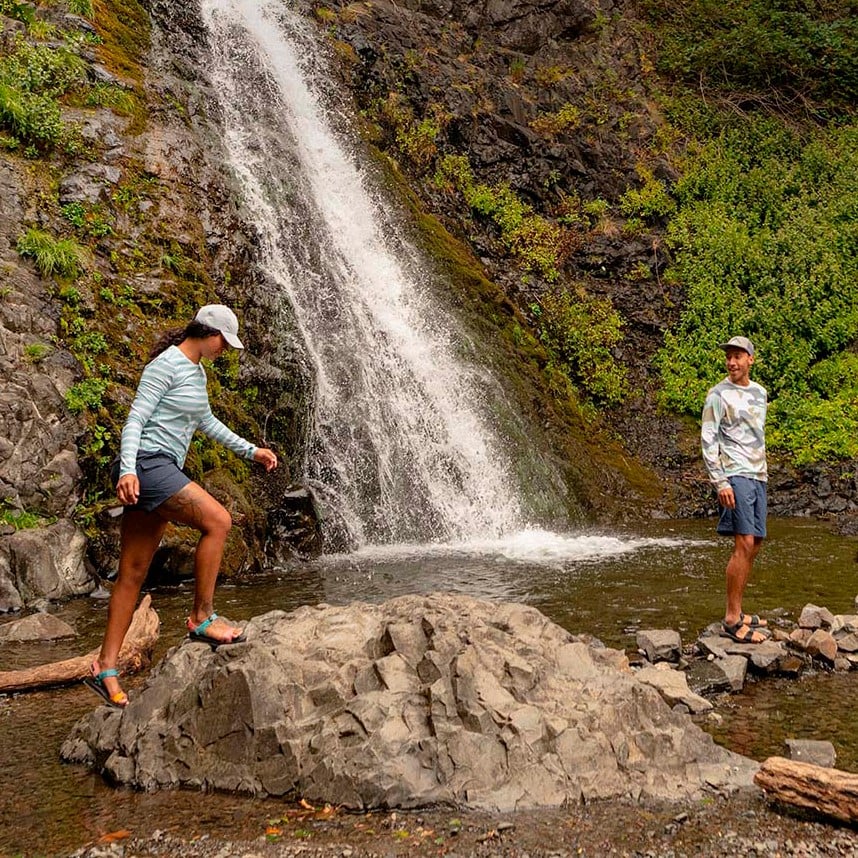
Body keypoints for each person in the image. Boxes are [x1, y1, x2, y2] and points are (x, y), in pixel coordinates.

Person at [84, 304, 278, 708]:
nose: (225, 348)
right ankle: (202, 619)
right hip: (148, 466)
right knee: (219, 521)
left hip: (161, 467)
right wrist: (127, 471)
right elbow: (135, 419)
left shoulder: (197, 371)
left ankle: (106, 668)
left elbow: (205, 422)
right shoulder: (165, 365)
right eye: (224, 341)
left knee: (132, 573)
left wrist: (251, 451)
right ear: (209, 333)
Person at [701, 335, 769, 645]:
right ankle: (731, 617)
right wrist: (721, 481)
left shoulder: (760, 393)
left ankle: (739, 610)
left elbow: (756, 437)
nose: (732, 361)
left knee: (755, 544)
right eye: (729, 356)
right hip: (735, 476)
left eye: (738, 356)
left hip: (758, 475)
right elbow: (708, 440)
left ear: (750, 359)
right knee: (743, 542)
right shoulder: (717, 395)